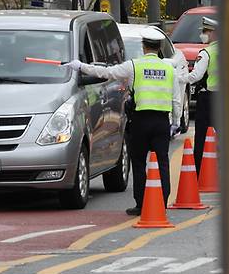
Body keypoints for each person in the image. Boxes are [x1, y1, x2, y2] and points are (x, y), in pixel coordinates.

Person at [66, 28, 181, 216]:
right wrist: (175, 122)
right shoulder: (170, 69)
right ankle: (163, 201)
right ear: (159, 48)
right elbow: (176, 99)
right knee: (162, 162)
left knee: (138, 162)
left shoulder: (133, 66)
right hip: (161, 121)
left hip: (140, 121)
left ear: (144, 47)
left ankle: (141, 203)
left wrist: (81, 67)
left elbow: (106, 72)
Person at [180, 16, 218, 173]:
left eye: (205, 31)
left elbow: (196, 76)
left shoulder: (207, 53)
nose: (203, 34)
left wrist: (181, 79)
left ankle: (201, 170)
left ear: (214, 33)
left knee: (203, 135)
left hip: (210, 99)